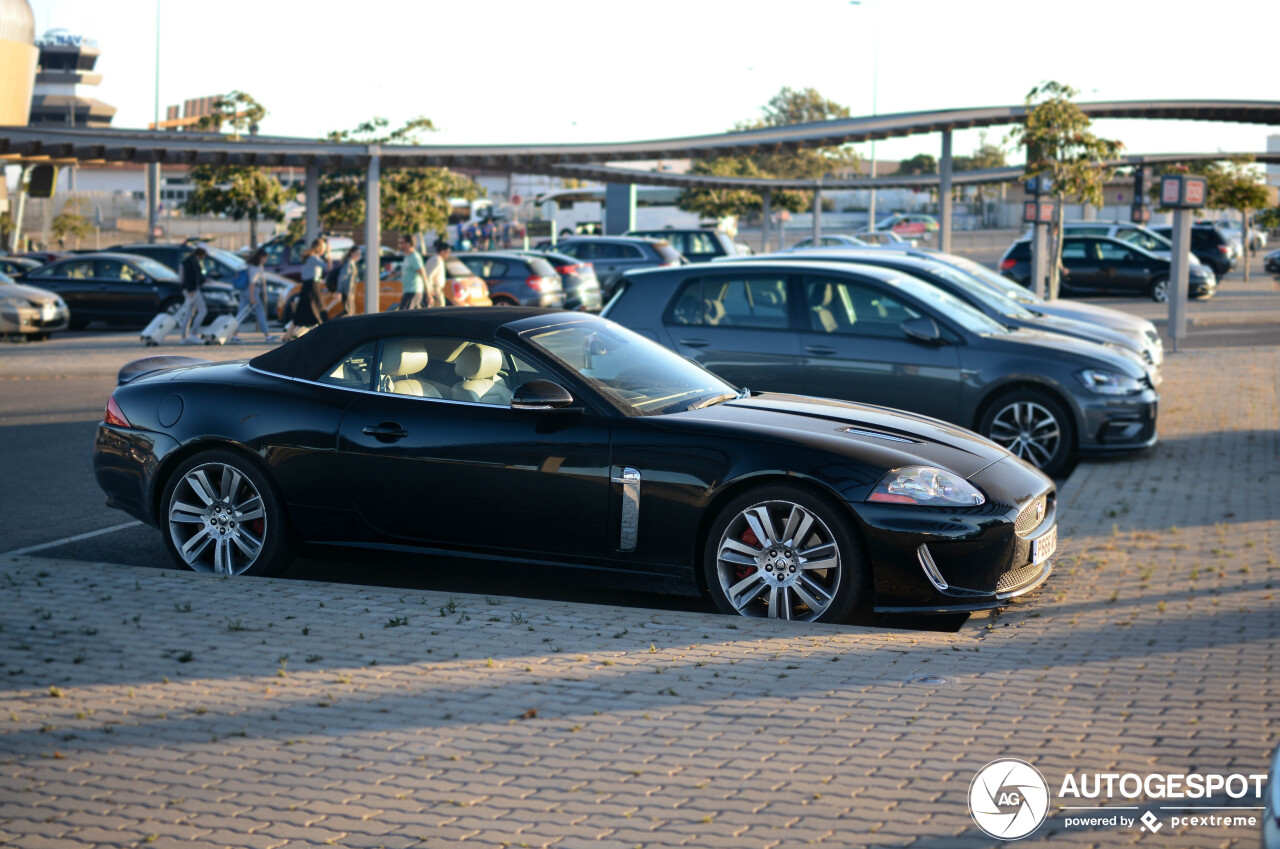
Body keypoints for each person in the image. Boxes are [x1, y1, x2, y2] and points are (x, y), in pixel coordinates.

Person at [286, 238, 330, 340]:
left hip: (309, 285)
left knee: (304, 311)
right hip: (312, 285)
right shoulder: (313, 258)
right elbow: (327, 267)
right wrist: (329, 254)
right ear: (318, 247)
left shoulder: (311, 257)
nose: (324, 249)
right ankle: (323, 333)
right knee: (319, 308)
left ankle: (288, 334)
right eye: (323, 247)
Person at [232, 248, 277, 344]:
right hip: (251, 291)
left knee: (240, 314)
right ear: (261, 257)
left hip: (243, 291)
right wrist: (252, 297)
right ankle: (267, 335)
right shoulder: (256, 267)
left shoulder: (249, 265)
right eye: (265, 258)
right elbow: (252, 283)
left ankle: (234, 335)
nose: (266, 260)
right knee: (260, 312)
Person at [180, 245, 209, 344]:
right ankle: (193, 333)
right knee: (203, 311)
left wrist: (204, 280)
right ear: (201, 253)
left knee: (189, 313)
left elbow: (195, 276)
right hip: (192, 290)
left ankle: (184, 336)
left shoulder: (190, 260)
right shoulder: (191, 261)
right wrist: (191, 290)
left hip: (189, 289)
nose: (205, 256)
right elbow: (189, 276)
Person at [398, 235, 426, 310]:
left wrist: (428, 294)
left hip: (413, 292)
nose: (401, 245)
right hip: (408, 291)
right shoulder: (407, 256)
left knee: (402, 316)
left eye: (402, 242)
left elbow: (423, 274)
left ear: (408, 244)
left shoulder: (414, 257)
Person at [334, 245, 362, 317]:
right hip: (346, 291)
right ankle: (334, 321)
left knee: (350, 311)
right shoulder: (349, 264)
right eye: (356, 254)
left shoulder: (353, 263)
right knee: (349, 312)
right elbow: (342, 278)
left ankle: (336, 321)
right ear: (351, 253)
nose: (358, 256)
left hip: (349, 291)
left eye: (359, 254)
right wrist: (339, 291)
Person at [423, 239, 450, 308]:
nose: (448, 255)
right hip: (434, 290)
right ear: (442, 251)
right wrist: (430, 291)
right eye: (447, 252)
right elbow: (429, 276)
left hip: (436, 289)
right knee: (439, 310)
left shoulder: (437, 259)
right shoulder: (436, 260)